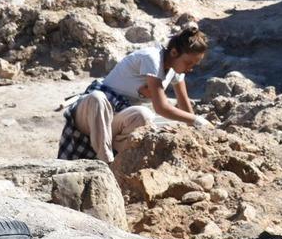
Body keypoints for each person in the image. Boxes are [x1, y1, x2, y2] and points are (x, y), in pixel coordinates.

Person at [58, 24, 211, 162]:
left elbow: (185, 106)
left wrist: (199, 131)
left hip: (116, 122)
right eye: (188, 62)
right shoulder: (152, 59)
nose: (190, 68)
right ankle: (106, 161)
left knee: (143, 115)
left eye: (194, 64)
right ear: (174, 52)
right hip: (91, 116)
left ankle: (123, 163)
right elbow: (161, 107)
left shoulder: (175, 70)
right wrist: (197, 120)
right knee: (98, 98)